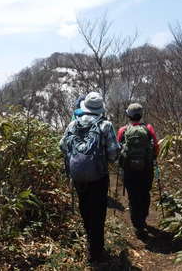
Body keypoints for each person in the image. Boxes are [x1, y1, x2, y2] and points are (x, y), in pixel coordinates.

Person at [60, 92, 119, 263]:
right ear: (100, 109)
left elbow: (62, 146)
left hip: (78, 176)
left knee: (85, 209)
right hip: (98, 176)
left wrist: (76, 156)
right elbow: (114, 152)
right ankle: (96, 252)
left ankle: (90, 242)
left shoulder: (73, 124)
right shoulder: (105, 125)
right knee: (98, 213)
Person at [117, 103, 159, 235]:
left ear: (128, 115)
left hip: (129, 169)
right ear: (141, 115)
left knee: (133, 195)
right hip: (146, 168)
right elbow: (156, 147)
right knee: (145, 192)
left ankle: (137, 224)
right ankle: (143, 217)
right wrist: (152, 158)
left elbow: (118, 148)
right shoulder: (148, 128)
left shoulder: (123, 130)